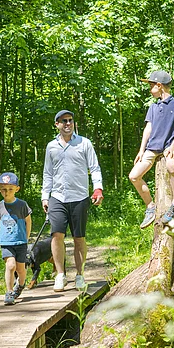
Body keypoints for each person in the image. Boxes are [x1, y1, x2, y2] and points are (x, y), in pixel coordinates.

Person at [42, 110, 104, 292]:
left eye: (70, 120)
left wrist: (98, 188)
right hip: (58, 197)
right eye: (63, 121)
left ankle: (79, 276)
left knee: (79, 238)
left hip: (80, 197)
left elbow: (94, 167)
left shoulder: (84, 143)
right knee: (57, 235)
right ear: (57, 124)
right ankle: (60, 275)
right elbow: (48, 173)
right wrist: (45, 196)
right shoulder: (51, 146)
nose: (68, 124)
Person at [129, 70, 174, 229]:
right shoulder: (153, 107)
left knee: (171, 166)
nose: (149, 89)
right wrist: (141, 150)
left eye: (151, 85)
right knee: (134, 176)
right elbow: (148, 129)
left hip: (170, 145)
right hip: (152, 147)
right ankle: (150, 206)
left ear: (159, 86)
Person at [0, 172, 32, 306]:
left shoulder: (22, 205)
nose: (6, 192)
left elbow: (28, 221)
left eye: (10, 189)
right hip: (6, 243)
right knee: (10, 265)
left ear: (17, 189)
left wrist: (26, 237)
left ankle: (20, 284)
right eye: (3, 189)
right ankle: (9, 292)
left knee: (21, 269)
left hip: (21, 242)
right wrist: (3, 235)